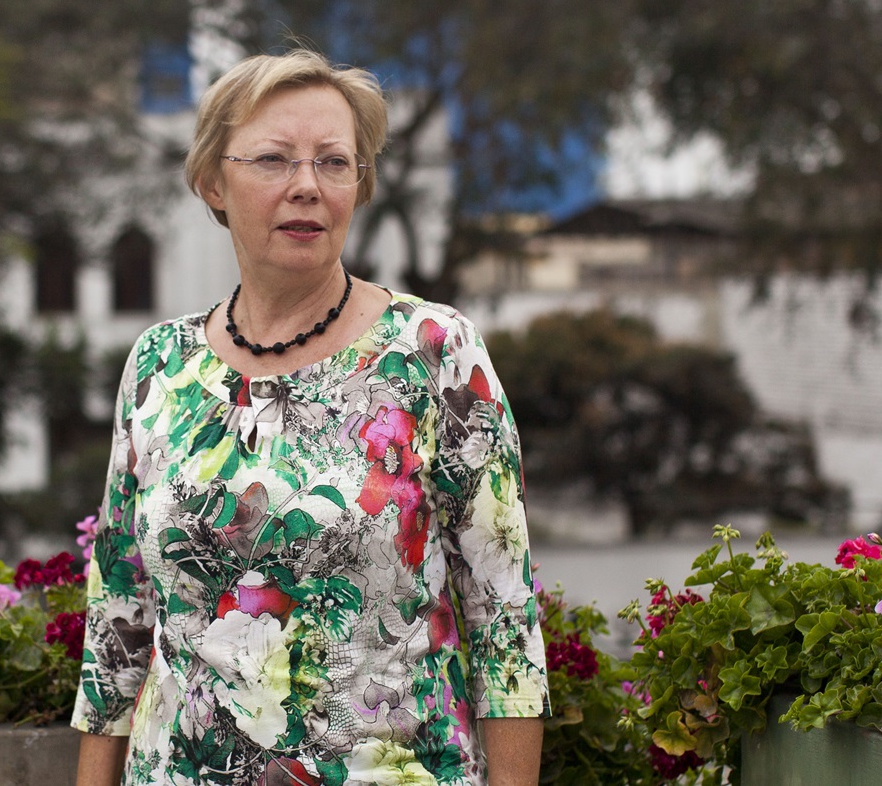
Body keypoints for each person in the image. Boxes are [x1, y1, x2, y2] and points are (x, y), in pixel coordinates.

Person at [74, 49, 550, 786]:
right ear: (212, 181)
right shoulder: (158, 365)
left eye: (334, 162)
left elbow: (503, 618)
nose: (307, 185)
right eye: (273, 159)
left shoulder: (434, 353)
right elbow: (118, 615)